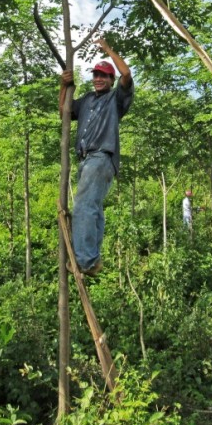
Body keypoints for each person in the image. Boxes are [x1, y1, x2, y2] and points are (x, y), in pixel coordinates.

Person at [59, 37, 133, 276]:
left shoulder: (116, 99)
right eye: (96, 75)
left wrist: (108, 49)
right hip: (86, 160)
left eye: (104, 76)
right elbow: (64, 113)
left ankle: (85, 260)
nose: (99, 79)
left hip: (101, 157)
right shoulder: (88, 100)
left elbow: (126, 74)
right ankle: (93, 259)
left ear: (111, 80)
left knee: (83, 206)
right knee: (93, 209)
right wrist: (63, 86)